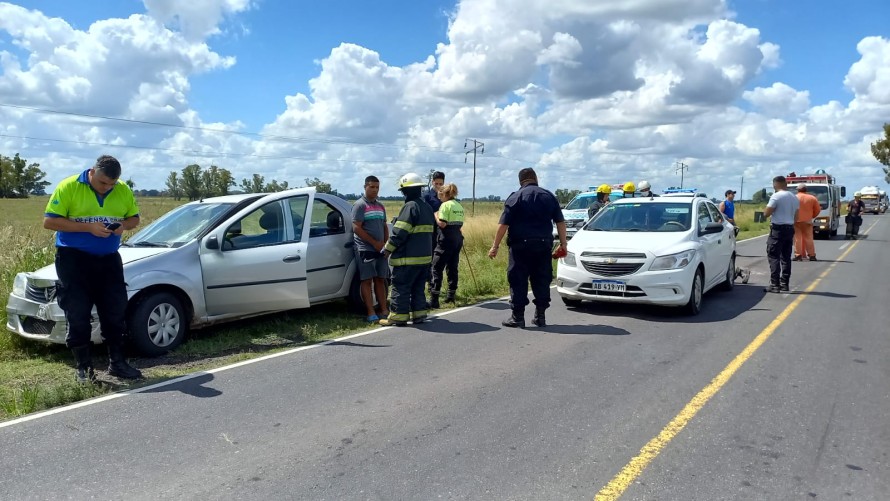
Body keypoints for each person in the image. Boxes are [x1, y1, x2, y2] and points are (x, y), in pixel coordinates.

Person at [44, 155, 143, 382]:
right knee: (77, 312)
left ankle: (117, 363)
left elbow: (134, 219)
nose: (106, 187)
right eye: (102, 182)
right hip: (74, 260)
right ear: (91, 172)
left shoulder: (123, 189)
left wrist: (122, 226)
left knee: (114, 311)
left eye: (111, 184)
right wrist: (88, 228)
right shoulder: (69, 186)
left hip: (109, 259)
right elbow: (50, 222)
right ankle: (84, 369)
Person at [489, 168, 567, 328]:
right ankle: (540, 316)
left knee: (518, 279)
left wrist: (495, 246)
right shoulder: (549, 196)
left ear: (520, 181)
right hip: (543, 246)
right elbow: (560, 222)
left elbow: (503, 224)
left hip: (520, 247)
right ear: (535, 178)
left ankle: (518, 317)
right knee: (542, 279)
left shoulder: (515, 197)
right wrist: (563, 244)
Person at [380, 173, 436, 326]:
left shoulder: (410, 207)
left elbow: (399, 233)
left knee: (401, 287)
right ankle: (419, 315)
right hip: (424, 259)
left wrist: (387, 250)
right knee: (418, 288)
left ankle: (398, 317)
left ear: (405, 191)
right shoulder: (427, 207)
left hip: (407, 259)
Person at [351, 175, 390, 323]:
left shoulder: (380, 206)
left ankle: (384, 309)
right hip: (365, 248)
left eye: (377, 187)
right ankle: (370, 312)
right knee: (366, 280)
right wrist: (374, 243)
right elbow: (356, 228)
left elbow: (384, 226)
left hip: (380, 249)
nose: (375, 190)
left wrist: (385, 244)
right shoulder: (360, 205)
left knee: (380, 279)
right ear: (365, 187)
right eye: (372, 187)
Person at [430, 183, 465, 308]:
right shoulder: (459, 205)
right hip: (457, 238)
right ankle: (451, 295)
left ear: (444, 194)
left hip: (446, 239)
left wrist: (436, 215)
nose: (439, 198)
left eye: (440, 196)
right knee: (452, 267)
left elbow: (442, 224)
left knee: (436, 267)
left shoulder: (445, 205)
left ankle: (434, 299)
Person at [763, 175, 800, 293]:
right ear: (786, 184)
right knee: (786, 257)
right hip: (789, 228)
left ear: (775, 184)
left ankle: (775, 284)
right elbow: (796, 216)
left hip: (778, 229)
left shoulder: (776, 196)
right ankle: (785, 283)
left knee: (773, 256)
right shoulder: (794, 197)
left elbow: (766, 213)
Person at [423, 171, 445, 293]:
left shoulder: (446, 196)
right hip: (430, 230)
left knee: (439, 259)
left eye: (441, 184)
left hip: (443, 231)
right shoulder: (427, 196)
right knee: (430, 258)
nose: (438, 186)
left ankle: (437, 284)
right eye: (436, 183)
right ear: (432, 182)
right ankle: (430, 284)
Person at [793, 183, 821, 261]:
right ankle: (812, 255)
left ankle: (798, 255)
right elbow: (818, 210)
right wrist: (812, 216)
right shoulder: (812, 198)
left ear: (798, 190)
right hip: (807, 221)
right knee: (809, 238)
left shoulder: (794, 198)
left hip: (796, 221)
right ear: (806, 190)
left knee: (797, 239)